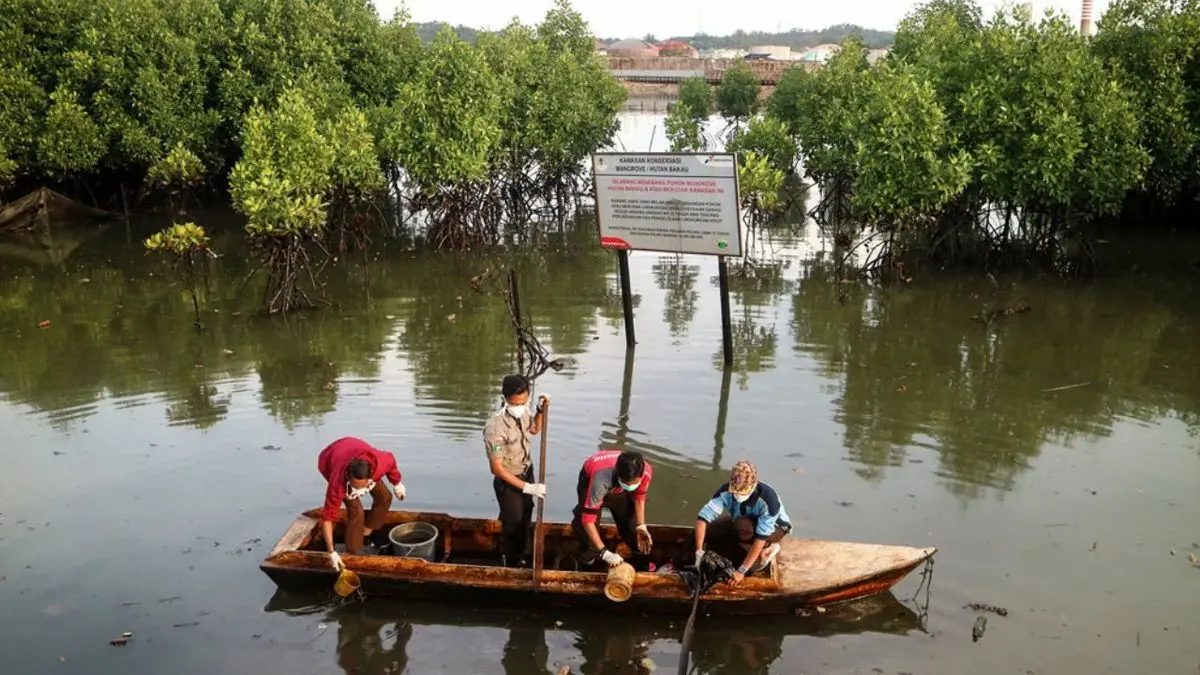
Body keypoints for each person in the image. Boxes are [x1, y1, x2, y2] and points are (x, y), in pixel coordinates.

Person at [483, 374, 549, 566]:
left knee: (526, 515)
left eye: (523, 401)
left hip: (526, 471)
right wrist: (527, 488)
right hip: (508, 480)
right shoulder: (495, 428)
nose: (520, 406)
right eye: (515, 403)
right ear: (505, 399)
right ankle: (511, 563)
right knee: (514, 525)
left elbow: (535, 429)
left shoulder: (525, 411)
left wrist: (540, 410)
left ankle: (514, 551)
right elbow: (496, 468)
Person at [693, 460, 791, 585]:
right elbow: (702, 519)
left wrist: (742, 571)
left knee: (742, 527)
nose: (739, 496)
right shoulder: (726, 490)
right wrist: (699, 552)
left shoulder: (768, 499)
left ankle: (766, 550)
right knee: (712, 530)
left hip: (775, 528)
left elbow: (761, 535)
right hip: (744, 520)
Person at [316, 436, 406, 571]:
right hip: (330, 458)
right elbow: (327, 518)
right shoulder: (338, 484)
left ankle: (365, 534)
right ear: (348, 476)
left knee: (385, 497)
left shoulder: (380, 464)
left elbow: (391, 460)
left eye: (362, 486)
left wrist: (397, 483)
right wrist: (331, 551)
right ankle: (353, 551)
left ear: (371, 476)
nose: (360, 491)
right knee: (356, 510)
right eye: (356, 487)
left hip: (355, 448)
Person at [570, 449, 653, 569]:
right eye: (626, 483)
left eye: (633, 483)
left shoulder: (646, 472)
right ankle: (587, 562)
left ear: (640, 476)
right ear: (618, 474)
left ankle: (642, 565)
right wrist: (604, 552)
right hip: (591, 481)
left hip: (619, 490)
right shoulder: (601, 480)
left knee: (633, 531)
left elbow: (639, 497)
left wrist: (641, 526)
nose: (630, 486)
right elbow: (588, 520)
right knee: (587, 537)